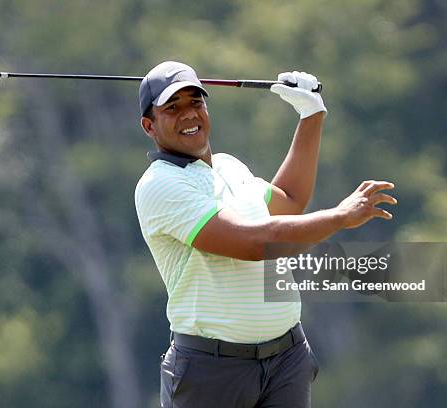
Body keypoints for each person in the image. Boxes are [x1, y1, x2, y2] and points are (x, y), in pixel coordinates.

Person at [134, 61, 397, 408]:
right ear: (149, 125)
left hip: (286, 361)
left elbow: (289, 201)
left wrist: (311, 115)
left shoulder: (229, 166)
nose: (188, 115)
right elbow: (255, 243)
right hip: (212, 371)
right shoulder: (160, 184)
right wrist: (339, 217)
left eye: (196, 103)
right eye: (172, 108)